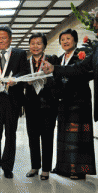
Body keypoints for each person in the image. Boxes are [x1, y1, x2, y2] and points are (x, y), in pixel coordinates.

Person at [44, 29, 96, 180]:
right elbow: (54, 79)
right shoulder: (59, 59)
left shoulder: (82, 56)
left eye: (68, 38)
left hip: (79, 102)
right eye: (62, 39)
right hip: (63, 103)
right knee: (63, 136)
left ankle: (78, 170)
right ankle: (62, 167)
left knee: (78, 137)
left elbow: (86, 73)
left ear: (74, 40)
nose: (65, 41)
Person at [0, 26, 29, 178]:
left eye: (4, 38)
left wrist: (15, 80)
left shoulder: (20, 54)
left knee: (11, 134)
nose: (1, 40)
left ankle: (8, 167)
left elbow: (24, 72)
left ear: (10, 39)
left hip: (13, 100)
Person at [24, 33, 58, 180]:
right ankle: (35, 166)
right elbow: (20, 80)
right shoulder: (25, 62)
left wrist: (46, 80)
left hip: (48, 104)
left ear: (44, 45)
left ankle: (45, 169)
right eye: (32, 43)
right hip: (31, 104)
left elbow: (58, 79)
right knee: (32, 137)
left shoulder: (53, 60)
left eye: (38, 43)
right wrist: (27, 83)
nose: (35, 46)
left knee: (47, 137)